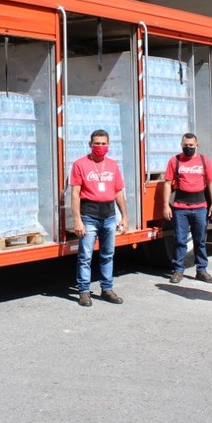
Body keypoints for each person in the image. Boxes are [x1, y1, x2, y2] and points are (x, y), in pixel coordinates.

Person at [70, 129, 129, 307]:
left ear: (108, 146)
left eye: (103, 144)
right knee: (85, 256)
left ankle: (107, 289)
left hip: (109, 215)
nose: (100, 147)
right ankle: (84, 291)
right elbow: (75, 195)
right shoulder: (80, 164)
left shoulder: (112, 165)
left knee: (108, 254)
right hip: (89, 215)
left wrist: (124, 217)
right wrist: (78, 220)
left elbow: (118, 192)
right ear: (90, 144)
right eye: (97, 143)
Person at [162, 133, 212, 284]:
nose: (188, 148)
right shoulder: (174, 161)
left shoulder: (204, 160)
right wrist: (166, 205)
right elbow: (167, 183)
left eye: (191, 145)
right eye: (185, 145)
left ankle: (201, 270)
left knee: (200, 240)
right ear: (181, 145)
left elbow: (211, 182)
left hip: (200, 207)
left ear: (196, 145)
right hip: (180, 208)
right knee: (180, 240)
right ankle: (178, 270)